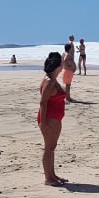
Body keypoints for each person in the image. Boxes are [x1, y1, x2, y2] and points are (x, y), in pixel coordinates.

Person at [37, 52, 67, 186]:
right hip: (49, 118)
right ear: (57, 66)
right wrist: (43, 123)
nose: (63, 66)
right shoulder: (49, 82)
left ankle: (52, 175)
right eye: (61, 64)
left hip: (54, 117)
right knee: (48, 148)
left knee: (52, 147)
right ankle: (47, 178)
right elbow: (43, 103)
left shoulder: (53, 79)